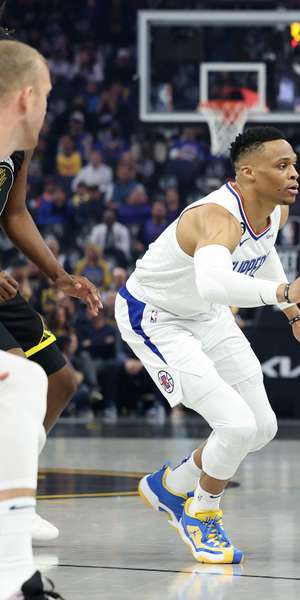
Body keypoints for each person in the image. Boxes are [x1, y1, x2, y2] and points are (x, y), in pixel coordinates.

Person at [116, 127, 300, 564]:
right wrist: (284, 292)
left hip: (208, 315)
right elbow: (214, 281)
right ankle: (201, 513)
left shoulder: (272, 211)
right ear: (247, 172)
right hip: (158, 318)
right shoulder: (216, 216)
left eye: (294, 163)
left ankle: (171, 484)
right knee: (236, 427)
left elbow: (263, 256)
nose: (295, 173)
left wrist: (295, 317)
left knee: (261, 427)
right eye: (282, 166)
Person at [0, 34, 70, 600]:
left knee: (47, 379)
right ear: (26, 97)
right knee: (17, 382)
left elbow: (15, 211)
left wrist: (55, 273)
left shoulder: (15, 150)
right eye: (46, 94)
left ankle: (15, 558)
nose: (50, 104)